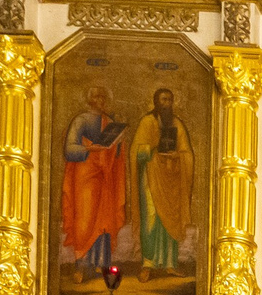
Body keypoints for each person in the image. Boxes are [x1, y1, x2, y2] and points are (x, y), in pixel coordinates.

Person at [61, 85, 130, 277]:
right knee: (84, 219)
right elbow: (70, 149)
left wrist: (119, 142)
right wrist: (90, 149)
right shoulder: (81, 120)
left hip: (105, 176)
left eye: (103, 97)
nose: (101, 101)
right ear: (90, 100)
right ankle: (81, 264)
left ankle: (101, 262)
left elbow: (114, 154)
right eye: (97, 97)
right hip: (84, 175)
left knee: (105, 220)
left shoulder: (108, 121)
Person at [132, 87, 196, 277]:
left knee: (171, 220)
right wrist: (153, 146)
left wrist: (178, 155)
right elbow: (137, 152)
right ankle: (147, 263)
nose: (166, 103)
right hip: (151, 178)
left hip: (172, 179)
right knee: (151, 219)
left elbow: (187, 154)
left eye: (169, 100)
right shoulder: (147, 122)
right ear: (156, 102)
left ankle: (170, 263)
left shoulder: (177, 124)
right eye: (163, 100)